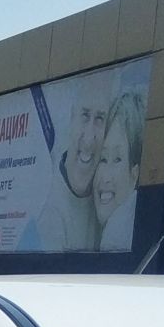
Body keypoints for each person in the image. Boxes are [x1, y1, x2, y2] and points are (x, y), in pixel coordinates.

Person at [32, 73, 111, 251]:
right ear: (72, 118)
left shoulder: (106, 196)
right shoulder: (51, 217)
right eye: (85, 116)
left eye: (100, 119)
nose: (89, 138)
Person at [94, 91, 146, 251]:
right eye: (102, 159)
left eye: (117, 159)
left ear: (135, 173)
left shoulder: (115, 238)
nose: (106, 178)